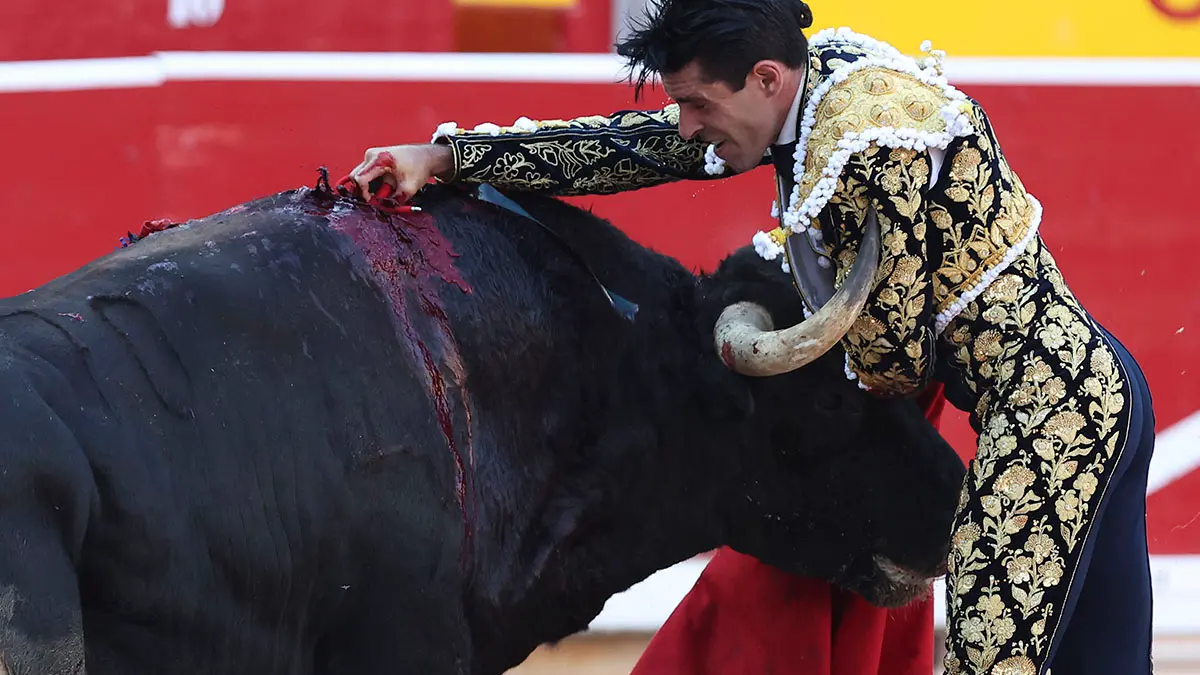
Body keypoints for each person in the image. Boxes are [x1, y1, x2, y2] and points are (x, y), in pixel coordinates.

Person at [345, 0, 1157, 673]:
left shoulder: (867, 144)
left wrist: (779, 354)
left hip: (1053, 416)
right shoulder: (808, 81)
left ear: (764, 78)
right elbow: (634, 148)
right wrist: (451, 156)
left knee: (990, 664)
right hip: (1095, 387)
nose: (688, 124)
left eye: (699, 104)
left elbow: (893, 355)